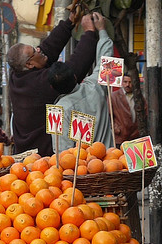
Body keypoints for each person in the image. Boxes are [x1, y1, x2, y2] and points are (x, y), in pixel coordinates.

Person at [8, 12, 98, 156]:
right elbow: (73, 69)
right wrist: (89, 33)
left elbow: (48, 48)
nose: (39, 49)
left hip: (27, 151)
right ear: (29, 64)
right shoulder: (38, 84)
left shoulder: (17, 75)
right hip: (42, 158)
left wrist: (68, 23)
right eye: (34, 51)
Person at [48, 12, 113, 151]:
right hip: (111, 159)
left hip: (82, 164)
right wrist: (102, 30)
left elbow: (61, 152)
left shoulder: (59, 110)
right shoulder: (95, 87)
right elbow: (107, 58)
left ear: (52, 88)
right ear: (75, 77)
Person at [111, 73, 144, 146]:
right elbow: (109, 116)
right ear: (122, 82)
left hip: (135, 136)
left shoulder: (139, 97)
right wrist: (115, 128)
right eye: (125, 82)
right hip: (120, 136)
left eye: (130, 82)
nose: (127, 85)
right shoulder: (114, 96)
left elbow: (145, 114)